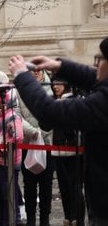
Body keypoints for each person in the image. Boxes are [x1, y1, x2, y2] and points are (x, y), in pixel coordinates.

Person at [9, 48, 108, 226]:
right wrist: (59, 66)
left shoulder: (103, 102)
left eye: (99, 59)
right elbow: (95, 77)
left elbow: (50, 113)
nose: (94, 64)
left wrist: (23, 77)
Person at [18, 67, 54, 226]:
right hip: (28, 141)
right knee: (29, 183)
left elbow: (56, 112)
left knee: (46, 184)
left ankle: (45, 219)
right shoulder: (20, 91)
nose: (36, 72)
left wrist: (44, 132)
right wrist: (32, 132)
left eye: (39, 69)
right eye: (32, 69)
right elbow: (17, 114)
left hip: (48, 143)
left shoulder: (53, 88)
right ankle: (31, 219)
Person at [0, 83, 23, 226]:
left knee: (6, 194)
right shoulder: (0, 116)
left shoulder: (12, 116)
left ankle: (7, 221)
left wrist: (5, 150)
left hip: (7, 162)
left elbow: (17, 137)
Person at [49, 78, 83, 226]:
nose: (56, 87)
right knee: (63, 185)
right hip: (58, 148)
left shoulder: (74, 100)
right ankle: (67, 215)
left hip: (73, 149)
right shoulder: (53, 101)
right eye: (54, 84)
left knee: (74, 185)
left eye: (59, 84)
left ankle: (76, 215)